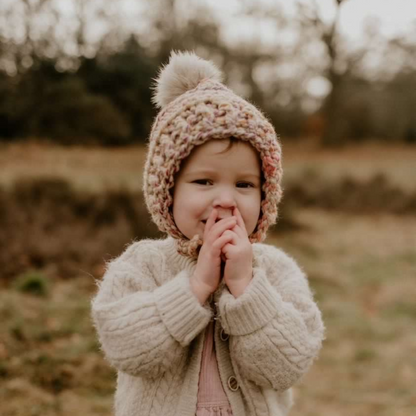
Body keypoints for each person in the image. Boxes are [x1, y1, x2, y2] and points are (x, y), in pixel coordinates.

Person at [91, 51, 325, 416]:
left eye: (245, 185)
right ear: (167, 191)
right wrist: (195, 288)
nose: (226, 200)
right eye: (204, 181)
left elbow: (286, 366)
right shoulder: (142, 265)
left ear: (266, 195)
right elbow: (127, 349)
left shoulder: (276, 271)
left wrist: (246, 288)